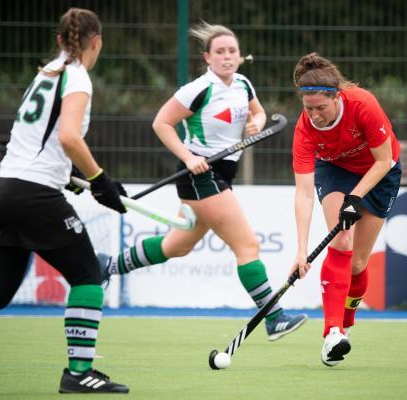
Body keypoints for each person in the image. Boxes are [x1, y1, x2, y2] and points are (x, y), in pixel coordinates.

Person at [0, 8, 129, 393]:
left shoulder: (46, 74)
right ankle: (78, 373)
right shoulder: (77, 77)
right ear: (97, 42)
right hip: (33, 194)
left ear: (59, 40)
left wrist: (72, 178)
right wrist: (99, 179)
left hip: (4, 190)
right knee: (88, 275)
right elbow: (69, 139)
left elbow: (41, 143)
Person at [102, 22, 308, 340]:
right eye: (220, 52)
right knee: (248, 245)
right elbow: (162, 123)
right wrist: (187, 157)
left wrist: (257, 122)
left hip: (223, 174)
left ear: (240, 57)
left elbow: (260, 113)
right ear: (207, 57)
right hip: (200, 175)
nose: (227, 57)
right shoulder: (197, 89)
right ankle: (274, 318)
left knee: (177, 246)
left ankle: (106, 266)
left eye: (232, 52)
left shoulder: (243, 84)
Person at [289, 53, 402, 366]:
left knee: (358, 265)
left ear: (336, 97)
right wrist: (301, 250)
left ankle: (347, 323)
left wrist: (356, 197)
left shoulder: (363, 104)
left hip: (381, 172)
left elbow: (383, 161)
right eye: (308, 108)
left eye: (321, 108)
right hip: (335, 169)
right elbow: (303, 194)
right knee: (341, 241)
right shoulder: (305, 130)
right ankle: (332, 332)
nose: (314, 115)